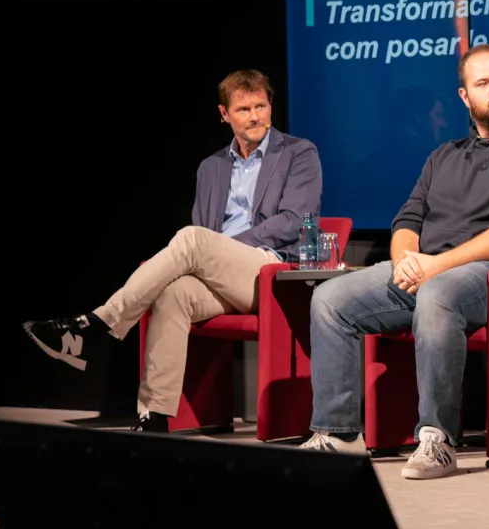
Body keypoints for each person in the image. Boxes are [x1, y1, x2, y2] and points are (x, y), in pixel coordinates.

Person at [298, 44, 489, 479]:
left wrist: (435, 266)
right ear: (465, 96)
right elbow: (408, 220)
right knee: (331, 299)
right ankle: (339, 433)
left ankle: (437, 439)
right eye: (483, 83)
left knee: (438, 294)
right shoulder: (445, 155)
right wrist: (406, 262)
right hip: (429, 270)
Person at [21, 70, 321, 431]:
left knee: (192, 239)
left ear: (271, 105)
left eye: (261, 106)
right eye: (244, 109)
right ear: (224, 114)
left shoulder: (298, 153)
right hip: (222, 274)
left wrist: (222, 247)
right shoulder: (211, 167)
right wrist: (213, 250)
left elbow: (294, 221)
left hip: (269, 270)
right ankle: (156, 414)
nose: (255, 116)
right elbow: (204, 231)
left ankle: (97, 326)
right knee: (173, 293)